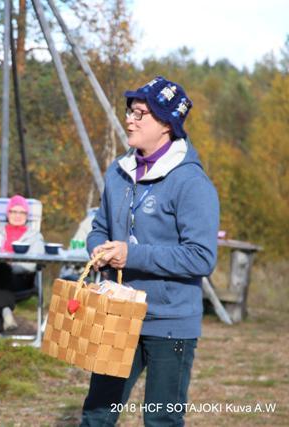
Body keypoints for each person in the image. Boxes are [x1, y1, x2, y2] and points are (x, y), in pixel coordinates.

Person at [79, 76, 219, 426]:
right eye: (130, 111)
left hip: (170, 323)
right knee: (97, 415)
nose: (130, 119)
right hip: (117, 313)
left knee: (161, 421)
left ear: (167, 125)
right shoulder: (118, 172)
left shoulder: (191, 182)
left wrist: (132, 255)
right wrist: (99, 250)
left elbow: (202, 257)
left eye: (141, 113)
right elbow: (99, 227)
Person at [0, 195, 44, 335]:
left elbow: (33, 264)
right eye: (14, 211)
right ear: (8, 214)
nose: (18, 215)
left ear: (27, 215)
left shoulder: (35, 236)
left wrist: (11, 265)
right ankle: (6, 310)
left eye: (22, 212)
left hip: (19, 278)